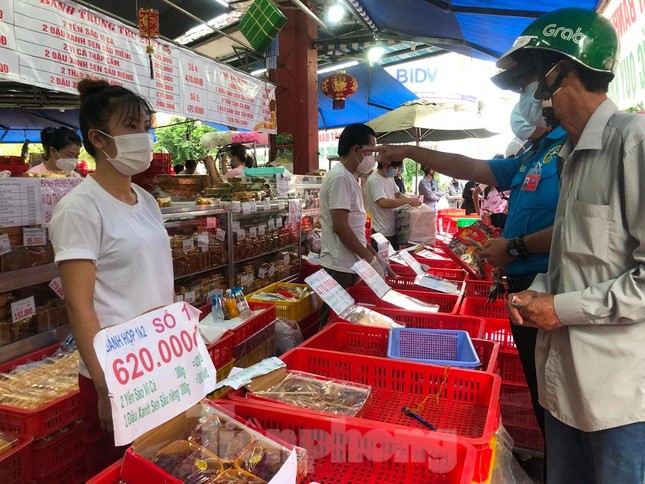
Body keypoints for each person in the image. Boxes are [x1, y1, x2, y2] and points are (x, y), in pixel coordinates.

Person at [366, 60, 569, 450]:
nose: (525, 100)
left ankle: (563, 463)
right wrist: (413, 150)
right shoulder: (535, 152)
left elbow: (580, 224)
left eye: (529, 87)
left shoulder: (571, 147)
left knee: (559, 394)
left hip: (555, 288)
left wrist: (514, 246)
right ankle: (556, 461)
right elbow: (475, 166)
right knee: (543, 390)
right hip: (524, 285)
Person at [502, 9, 645, 483]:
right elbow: (571, 259)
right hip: (562, 385)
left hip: (618, 401)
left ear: (561, 73)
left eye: (530, 80)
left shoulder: (634, 144)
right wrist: (537, 293)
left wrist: (560, 308)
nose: (528, 95)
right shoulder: (569, 158)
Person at [49, 79, 174, 475]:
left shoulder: (147, 201)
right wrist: (106, 388)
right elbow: (79, 303)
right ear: (98, 139)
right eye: (132, 126)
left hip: (158, 361)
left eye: (145, 125)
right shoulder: (79, 209)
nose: (144, 136)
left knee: (162, 465)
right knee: (118, 471)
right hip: (116, 374)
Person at [318, 124, 392, 327]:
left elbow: (355, 230)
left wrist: (374, 256)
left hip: (348, 263)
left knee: (344, 320)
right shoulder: (341, 177)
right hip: (338, 265)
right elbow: (340, 227)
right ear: (357, 149)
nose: (373, 158)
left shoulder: (350, 177)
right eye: (371, 151)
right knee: (333, 324)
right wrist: (370, 258)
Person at [365, 160, 421, 251]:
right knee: (383, 263)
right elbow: (383, 203)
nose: (396, 170)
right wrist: (408, 200)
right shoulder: (374, 179)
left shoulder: (389, 178)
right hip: (381, 233)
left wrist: (411, 201)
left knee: (394, 261)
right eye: (395, 168)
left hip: (393, 230)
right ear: (386, 164)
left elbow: (397, 194)